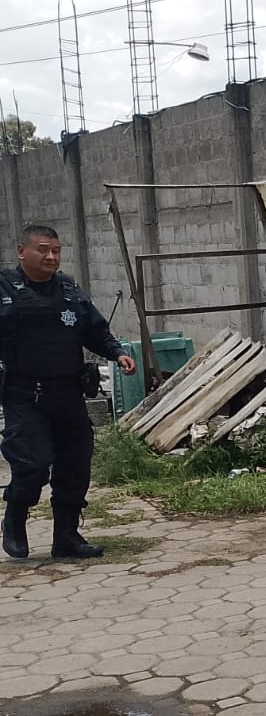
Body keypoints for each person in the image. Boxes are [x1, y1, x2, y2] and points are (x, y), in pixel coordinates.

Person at [1, 224, 137, 560]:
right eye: (43, 250)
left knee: (75, 466)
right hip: (24, 395)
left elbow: (95, 329)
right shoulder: (5, 288)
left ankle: (66, 537)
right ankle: (15, 518)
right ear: (22, 252)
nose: (51, 257)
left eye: (56, 251)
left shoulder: (69, 289)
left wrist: (117, 353)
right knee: (33, 465)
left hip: (68, 393)